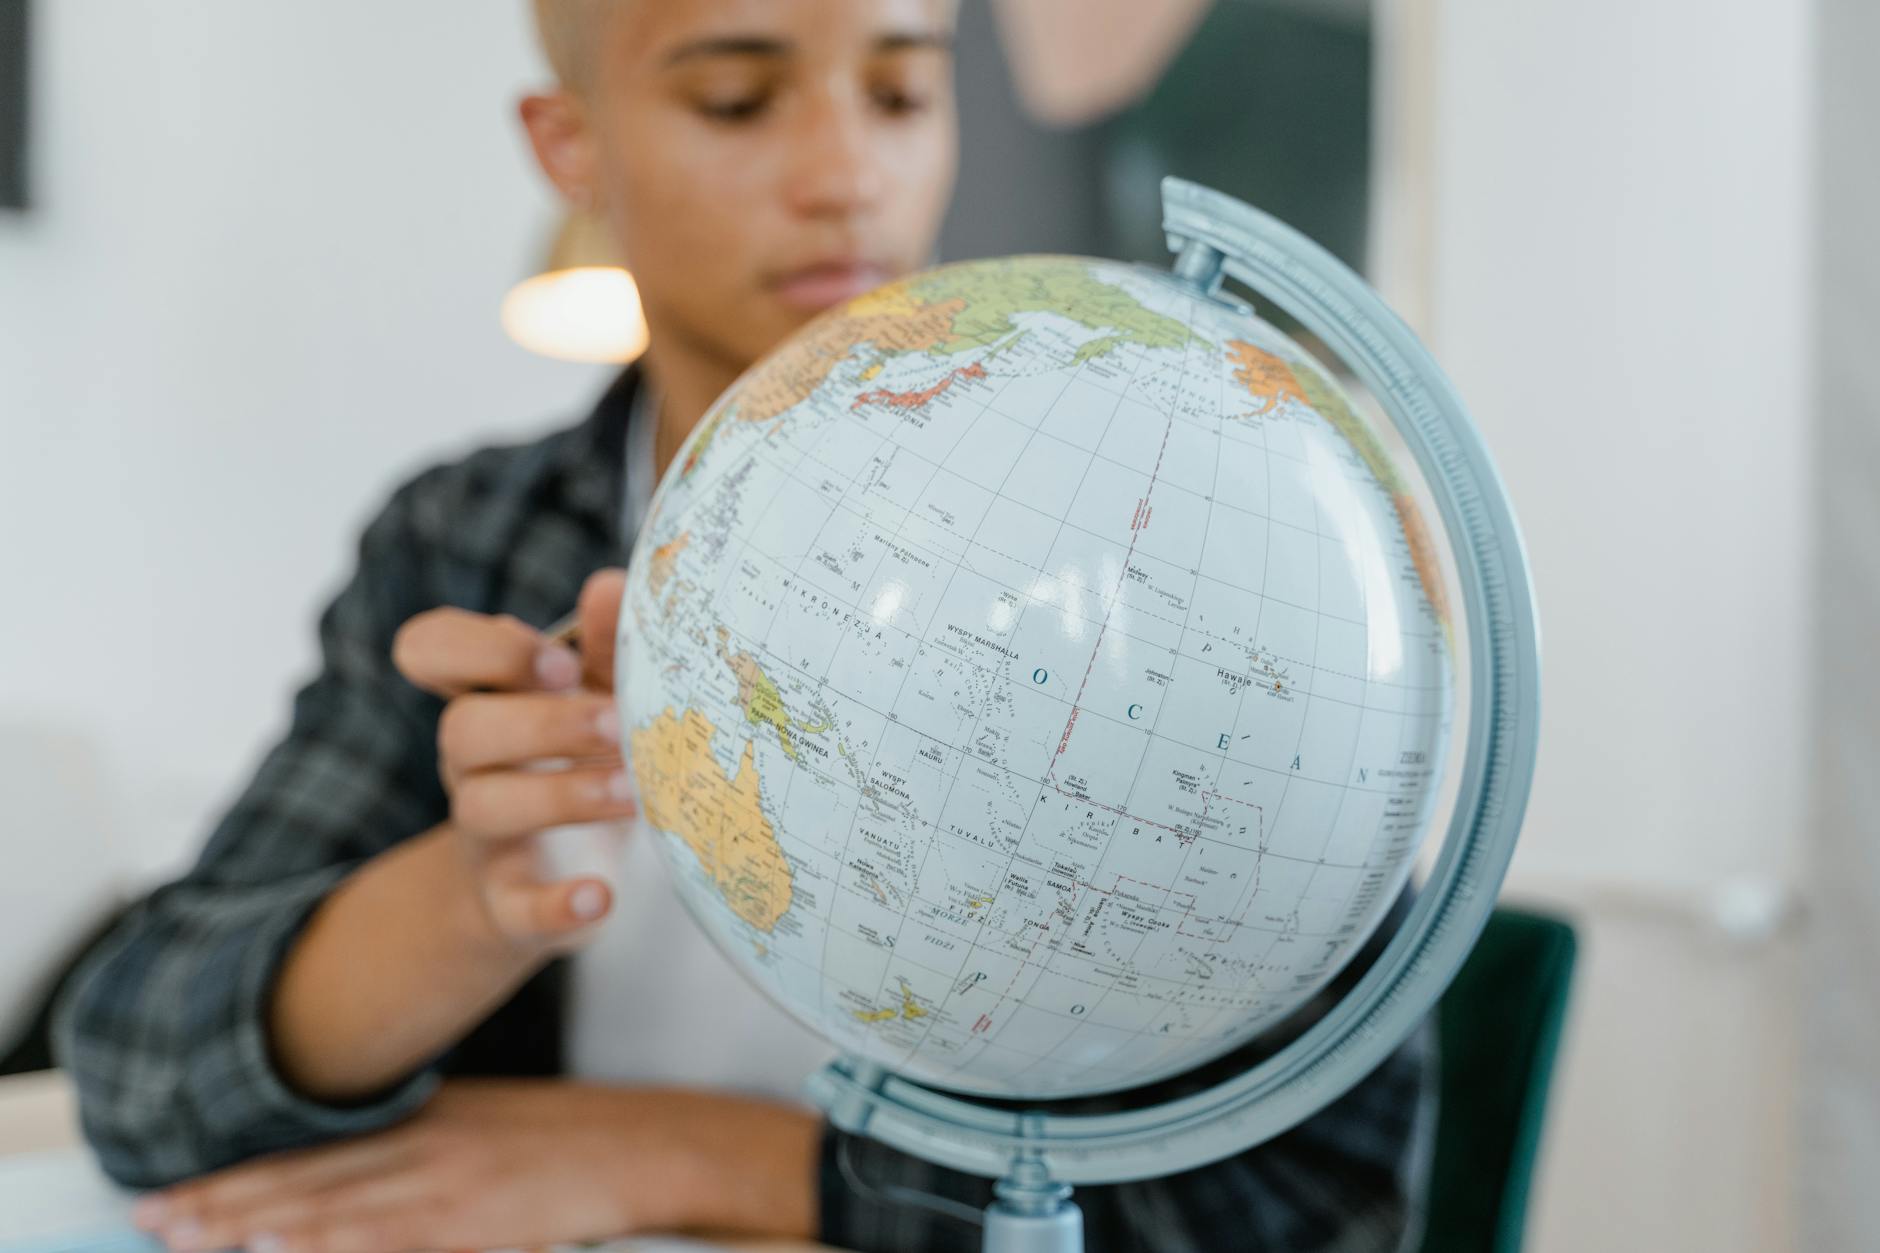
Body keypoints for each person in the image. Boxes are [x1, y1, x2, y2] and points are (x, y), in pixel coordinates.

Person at [54, 2, 1433, 1250]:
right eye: (736, 100)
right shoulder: (469, 542)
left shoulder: (1154, 559)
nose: (846, 178)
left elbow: (1312, 1206)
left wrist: (690, 1155)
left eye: (900, 94)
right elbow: (137, 1068)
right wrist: (476, 894)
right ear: (569, 144)